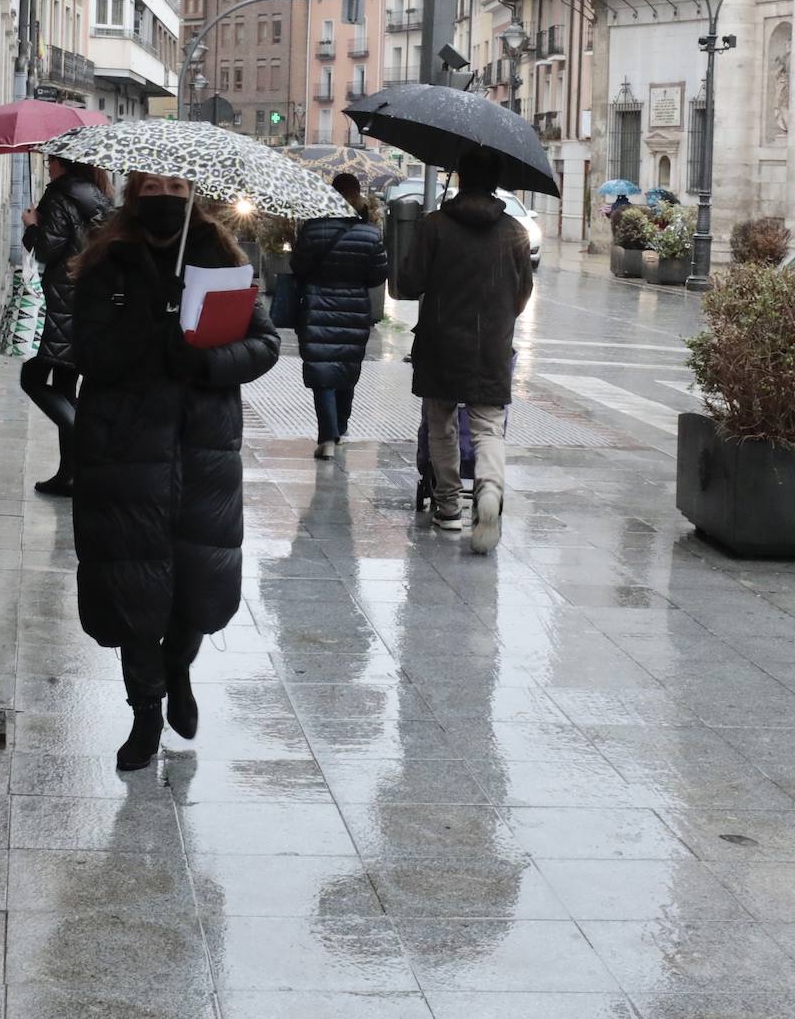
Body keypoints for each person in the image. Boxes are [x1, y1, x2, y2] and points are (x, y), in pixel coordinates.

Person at [70, 173, 280, 771]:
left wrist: (203, 359)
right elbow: (86, 353)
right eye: (154, 187)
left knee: (196, 584)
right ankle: (144, 715)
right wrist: (151, 324)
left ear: (194, 196)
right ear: (136, 195)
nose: (167, 198)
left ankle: (179, 669)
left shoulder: (221, 259)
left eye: (178, 188)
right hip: (125, 451)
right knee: (133, 590)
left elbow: (263, 345)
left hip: (201, 451)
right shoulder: (107, 263)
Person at [399, 147, 533, 554]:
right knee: (488, 425)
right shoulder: (513, 231)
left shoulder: (436, 224)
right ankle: (489, 492)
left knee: (441, 421)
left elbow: (408, 284)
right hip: (491, 344)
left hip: (441, 340)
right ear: (495, 184)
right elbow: (523, 291)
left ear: (459, 178)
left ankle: (448, 508)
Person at [20, 157, 112, 495]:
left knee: (31, 379)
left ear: (64, 164)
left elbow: (47, 248)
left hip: (58, 303)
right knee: (63, 388)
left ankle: (87, 440)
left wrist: (31, 225)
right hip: (86, 302)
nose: (47, 166)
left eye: (51, 161)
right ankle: (69, 475)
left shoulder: (59, 196)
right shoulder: (99, 197)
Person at [290, 172, 388, 460]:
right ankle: (341, 429)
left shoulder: (313, 228)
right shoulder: (370, 234)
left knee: (322, 373)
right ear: (358, 197)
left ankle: (327, 436)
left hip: (316, 308)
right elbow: (378, 276)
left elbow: (297, 266)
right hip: (354, 311)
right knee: (346, 370)